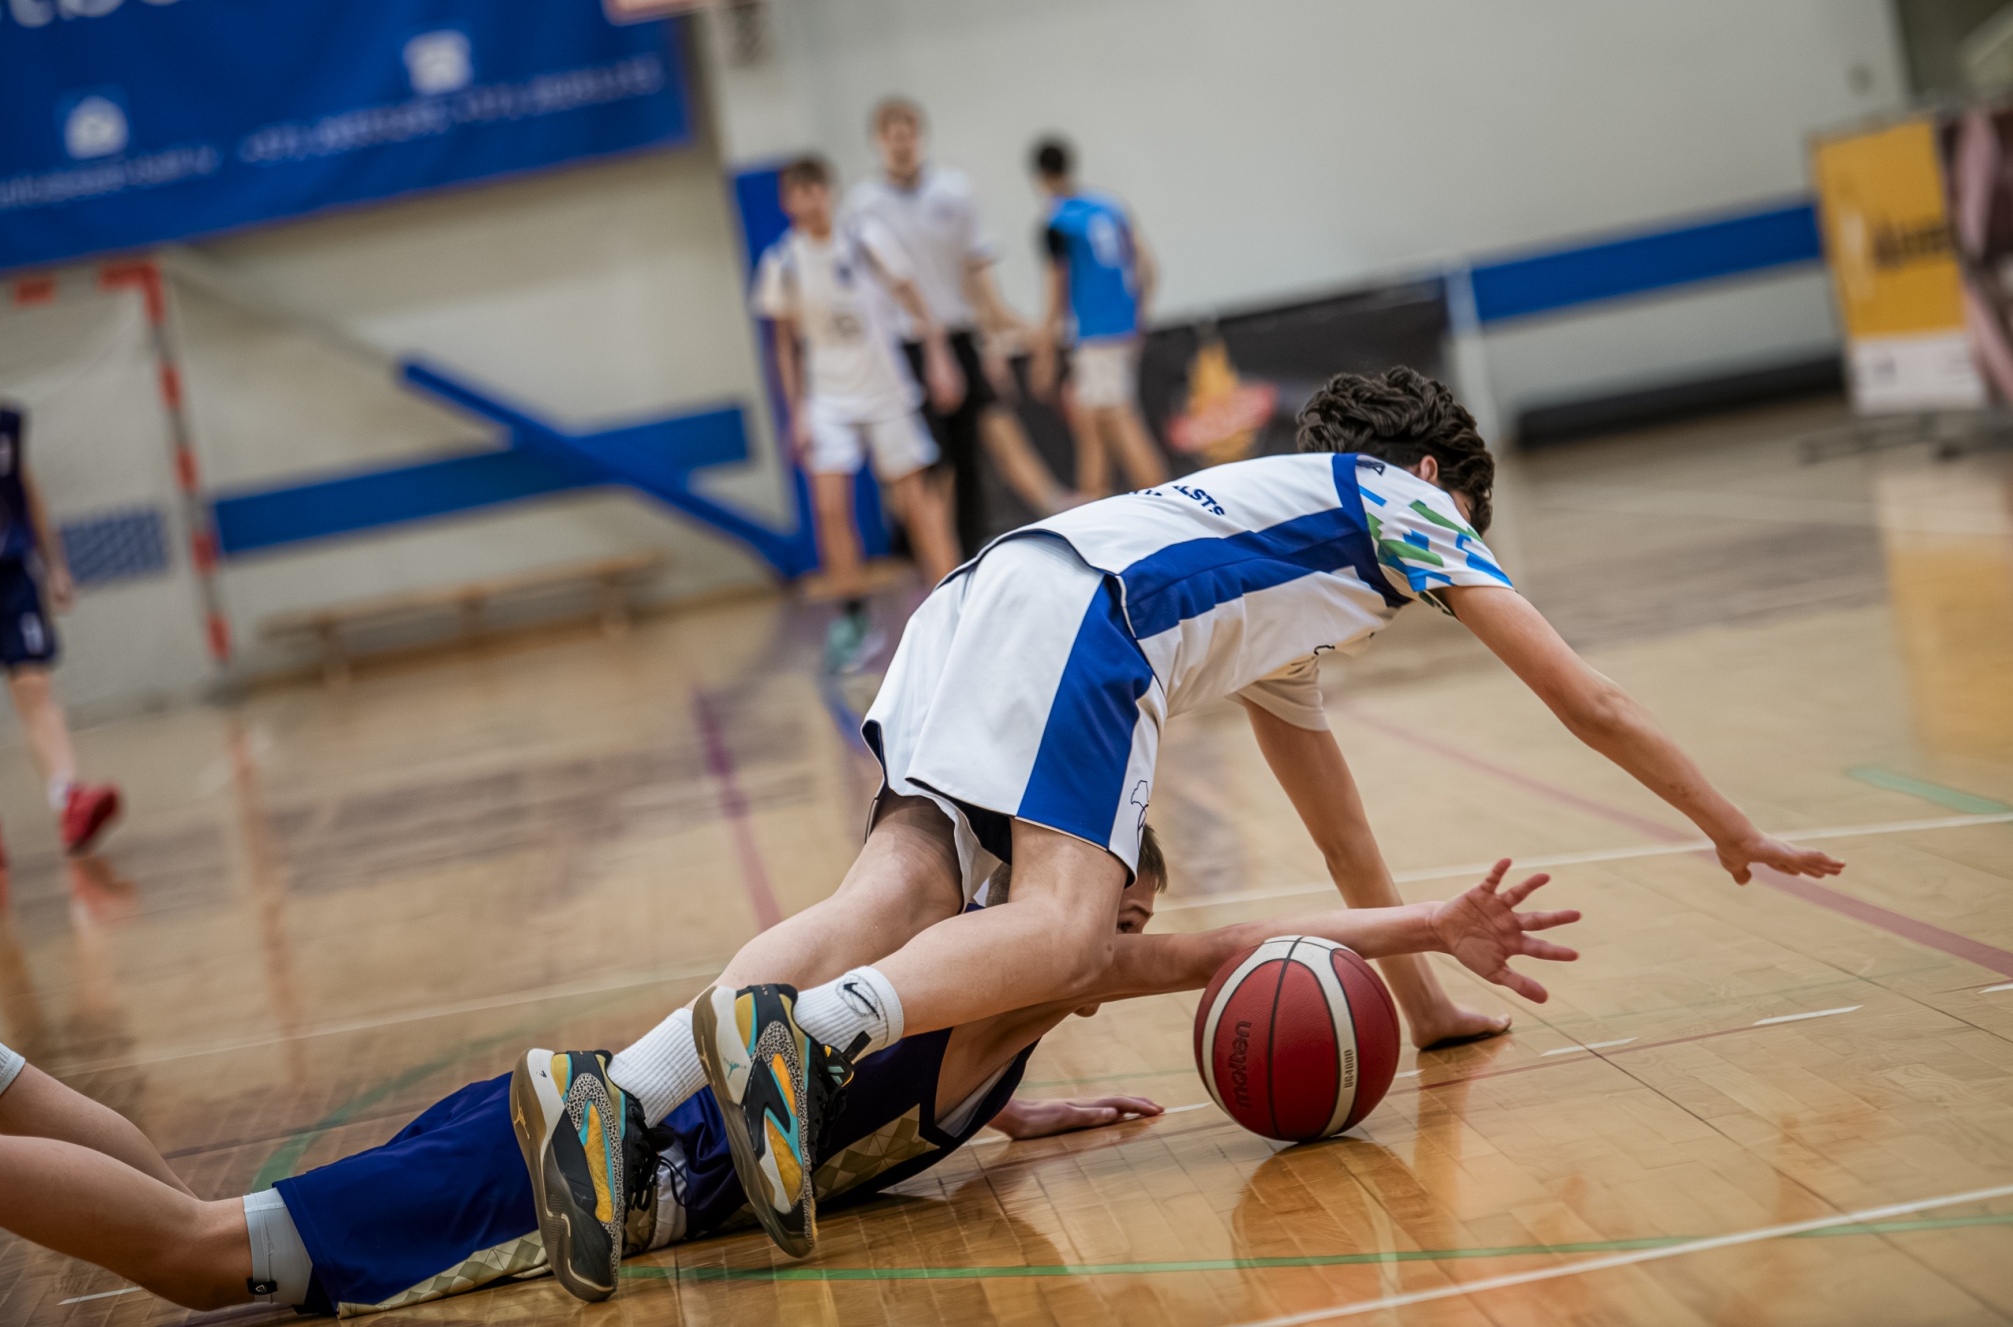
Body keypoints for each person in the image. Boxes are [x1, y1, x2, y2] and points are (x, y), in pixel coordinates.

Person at [659, 364, 1844, 1260]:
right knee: (1070, 932)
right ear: (1438, 480)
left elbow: (1341, 835)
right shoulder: (1404, 504)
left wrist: (1427, 1008)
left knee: (891, 894)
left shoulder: (1277, 585)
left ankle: (631, 1093)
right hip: (1089, 613)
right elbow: (1588, 699)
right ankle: (811, 1038)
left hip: (980, 595)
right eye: (1471, 525)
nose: (1464, 559)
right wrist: (1729, 826)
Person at [0, 836, 1580, 1311]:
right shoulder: (1033, 969)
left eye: (1121, 923)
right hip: (543, 1179)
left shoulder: (987, 1021)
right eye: (1106, 921)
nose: (1110, 951)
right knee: (195, 1258)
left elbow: (894, 1099)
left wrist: (1005, 1123)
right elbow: (1240, 949)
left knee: (185, 1220)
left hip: (563, 1126)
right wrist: (1425, 923)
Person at [757, 156, 965, 671]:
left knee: (916, 502)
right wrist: (795, 413)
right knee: (830, 506)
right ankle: (853, 619)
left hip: (886, 389)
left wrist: (938, 356)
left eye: (815, 189)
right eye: (798, 192)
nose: (808, 201)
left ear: (829, 191)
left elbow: (915, 298)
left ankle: (955, 608)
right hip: (828, 398)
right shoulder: (782, 263)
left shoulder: (866, 239)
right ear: (786, 201)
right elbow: (784, 346)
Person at [844, 98, 1077, 557]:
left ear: (920, 135)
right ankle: (936, 563)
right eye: (893, 135)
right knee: (933, 465)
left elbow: (977, 274)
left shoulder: (953, 191)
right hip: (906, 345)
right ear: (879, 141)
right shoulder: (863, 207)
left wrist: (994, 338)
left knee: (983, 442)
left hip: (959, 334)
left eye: (909, 132)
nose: (902, 143)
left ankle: (1035, 518)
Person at [0, 319, 118, 870]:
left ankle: (68, 797)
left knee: (34, 683)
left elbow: (29, 495)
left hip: (11, 573)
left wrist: (54, 565)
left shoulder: (8, 422)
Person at [1029, 137, 1170, 497]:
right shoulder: (1109, 207)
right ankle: (1092, 501)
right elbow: (1148, 267)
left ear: (1039, 176)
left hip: (1094, 334)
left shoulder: (1057, 223)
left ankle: (1167, 499)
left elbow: (1056, 293)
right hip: (1123, 328)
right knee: (1089, 420)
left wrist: (1044, 352)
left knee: (1119, 417)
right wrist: (1138, 317)